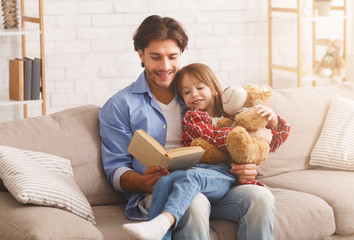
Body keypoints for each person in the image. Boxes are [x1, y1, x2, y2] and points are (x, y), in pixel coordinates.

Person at [99, 15, 284, 240]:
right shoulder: (119, 105)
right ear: (141, 55)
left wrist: (246, 166)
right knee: (194, 202)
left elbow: (240, 134)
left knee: (261, 197)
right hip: (160, 190)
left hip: (212, 181)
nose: (165, 66)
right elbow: (115, 169)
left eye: (172, 57)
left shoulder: (195, 94)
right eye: (156, 57)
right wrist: (142, 182)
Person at [122, 63, 290, 240]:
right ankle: (157, 229)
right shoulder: (193, 117)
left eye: (200, 88)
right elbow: (214, 136)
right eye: (186, 92)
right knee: (168, 181)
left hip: (226, 178)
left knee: (259, 197)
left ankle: (163, 222)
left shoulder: (233, 117)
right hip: (204, 175)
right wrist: (250, 135)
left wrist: (272, 124)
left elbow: (263, 147)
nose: (194, 94)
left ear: (214, 89)